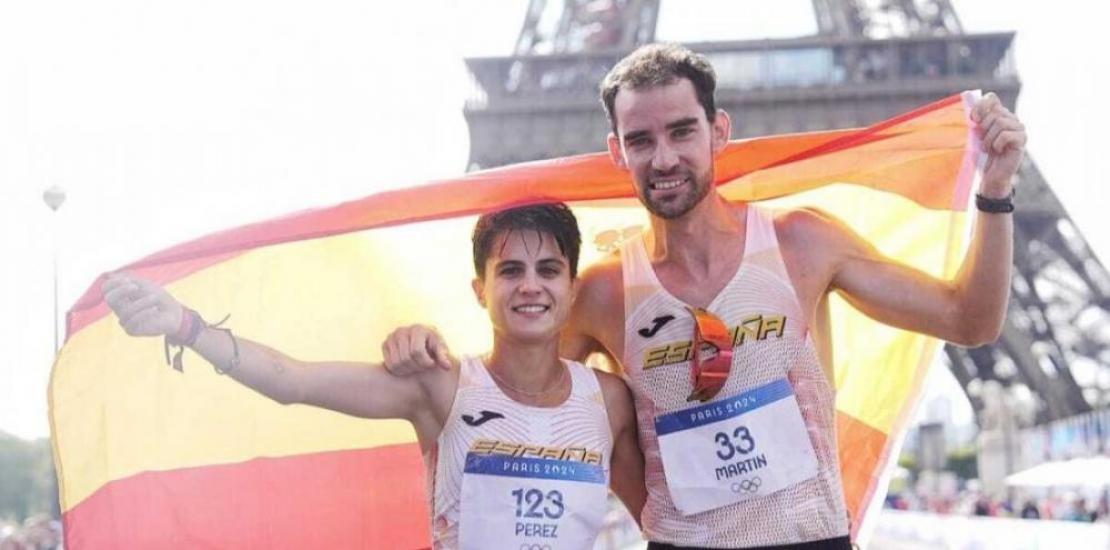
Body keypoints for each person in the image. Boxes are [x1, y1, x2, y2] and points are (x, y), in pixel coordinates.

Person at [384, 43, 1026, 549]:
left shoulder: (802, 244)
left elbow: (969, 319)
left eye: (681, 132)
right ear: (616, 151)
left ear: (718, 131)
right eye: (640, 140)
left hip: (812, 540)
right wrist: (423, 350)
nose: (663, 157)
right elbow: (517, 398)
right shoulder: (602, 292)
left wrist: (995, 192)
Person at [102, 203, 646, 550]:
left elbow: (661, 518)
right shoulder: (441, 387)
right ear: (480, 291)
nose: (530, 286)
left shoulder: (609, 401)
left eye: (548, 270)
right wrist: (188, 326)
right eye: (510, 271)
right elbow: (294, 381)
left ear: (573, 289)